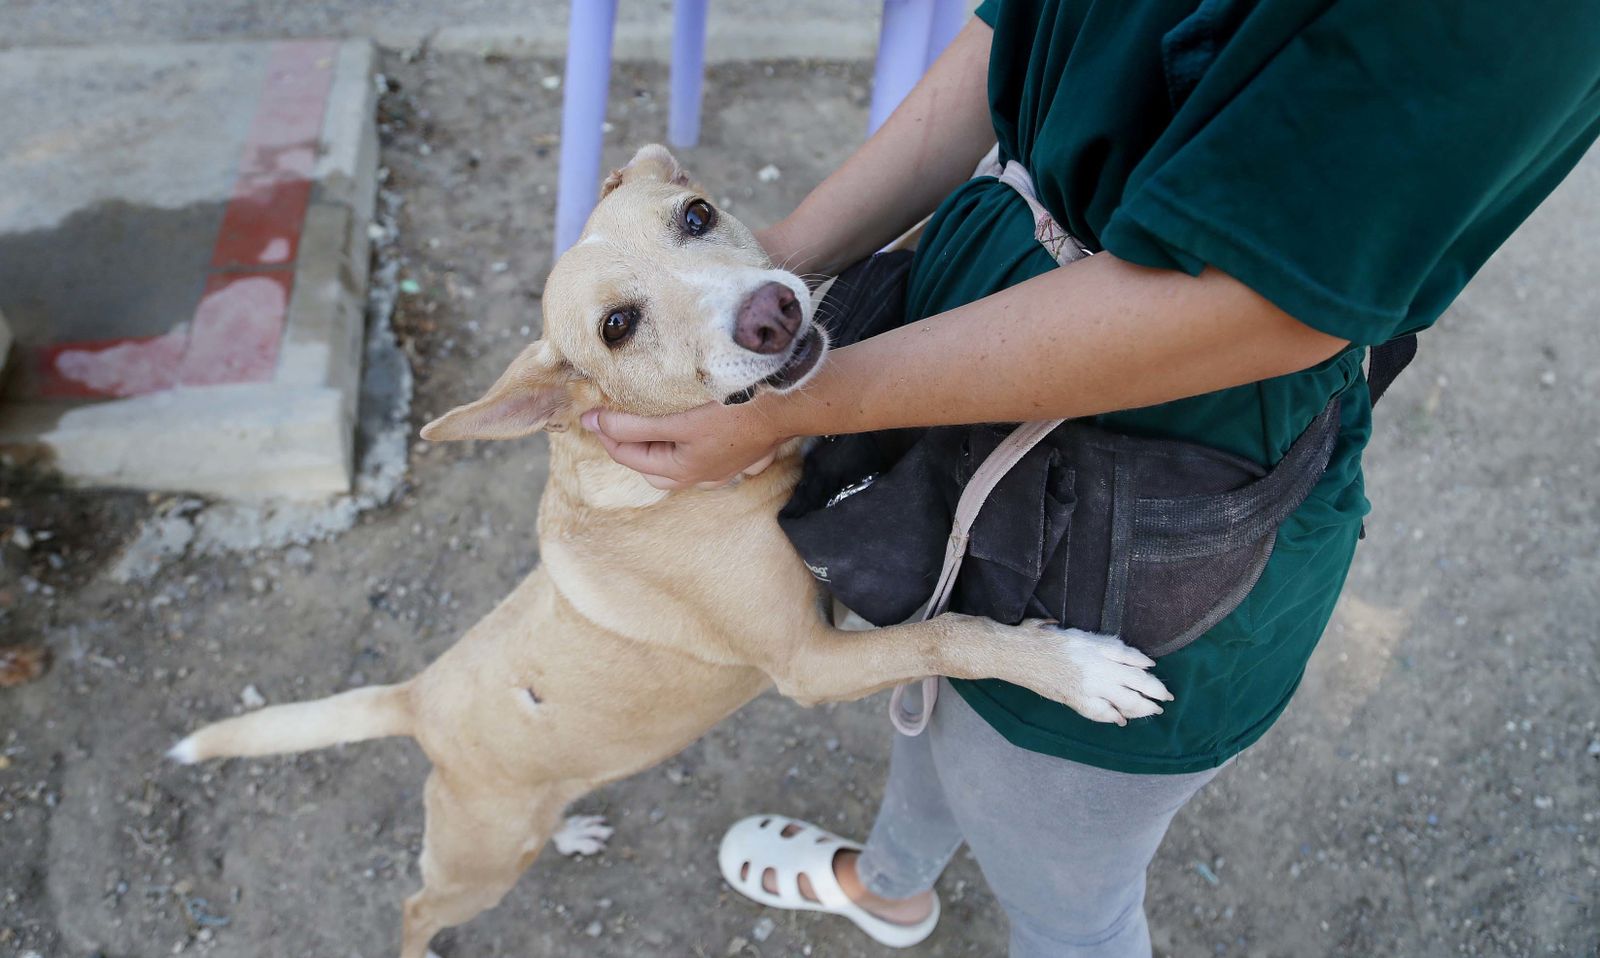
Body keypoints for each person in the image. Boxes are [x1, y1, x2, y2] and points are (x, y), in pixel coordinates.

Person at [581, 1, 1600, 954]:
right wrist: (771, 271)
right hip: (955, 378)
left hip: (1154, 478)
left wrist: (790, 406)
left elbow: (1259, 302)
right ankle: (890, 883)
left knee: (1065, 887)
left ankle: (918, 885)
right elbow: (1027, 26)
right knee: (941, 695)